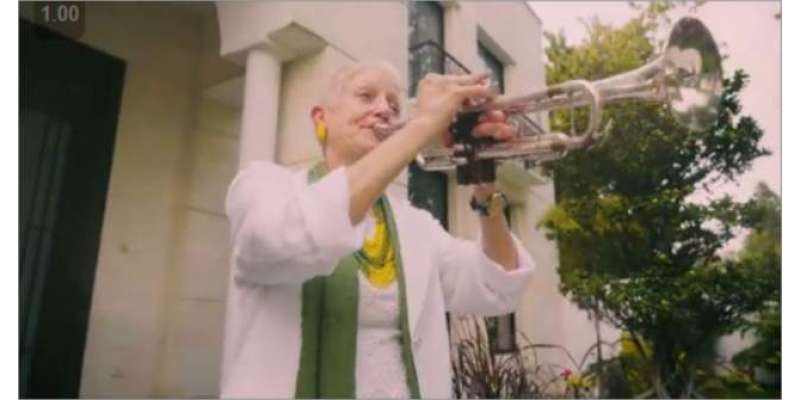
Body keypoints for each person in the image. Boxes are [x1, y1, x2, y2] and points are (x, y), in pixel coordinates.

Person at [220, 60, 536, 399]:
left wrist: (484, 182)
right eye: (366, 96)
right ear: (321, 118)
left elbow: (496, 287)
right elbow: (284, 238)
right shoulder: (264, 186)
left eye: (394, 105)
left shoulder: (416, 225)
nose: (384, 110)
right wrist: (423, 125)